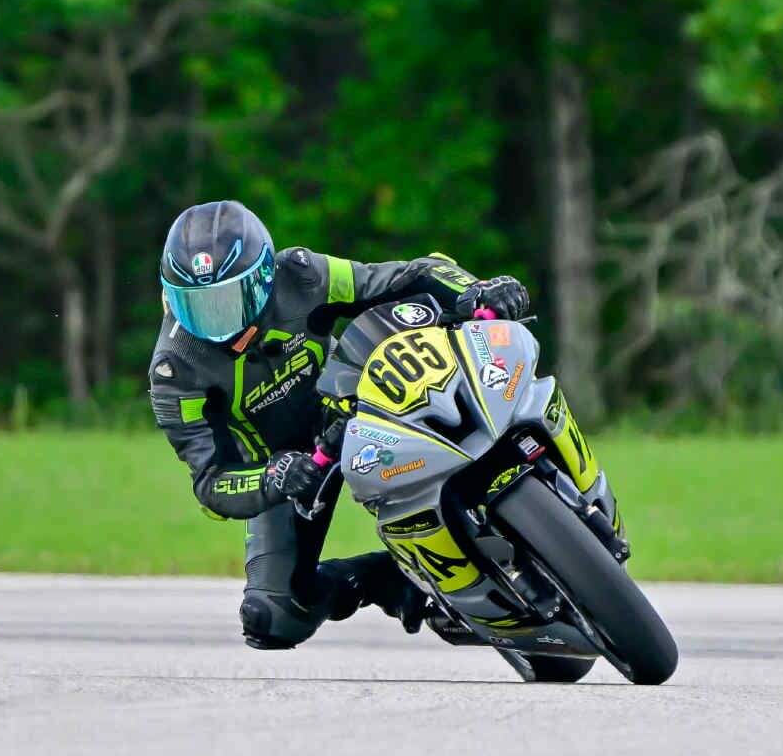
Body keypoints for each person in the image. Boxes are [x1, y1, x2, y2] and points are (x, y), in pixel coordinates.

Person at [148, 199, 530, 649]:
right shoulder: (175, 370)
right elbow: (212, 482)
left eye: (228, 302)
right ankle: (393, 579)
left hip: (360, 404)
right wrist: (274, 477)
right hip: (294, 466)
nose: (216, 324)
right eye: (197, 307)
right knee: (272, 617)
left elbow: (409, 276)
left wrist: (477, 291)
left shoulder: (302, 273)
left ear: (264, 276)